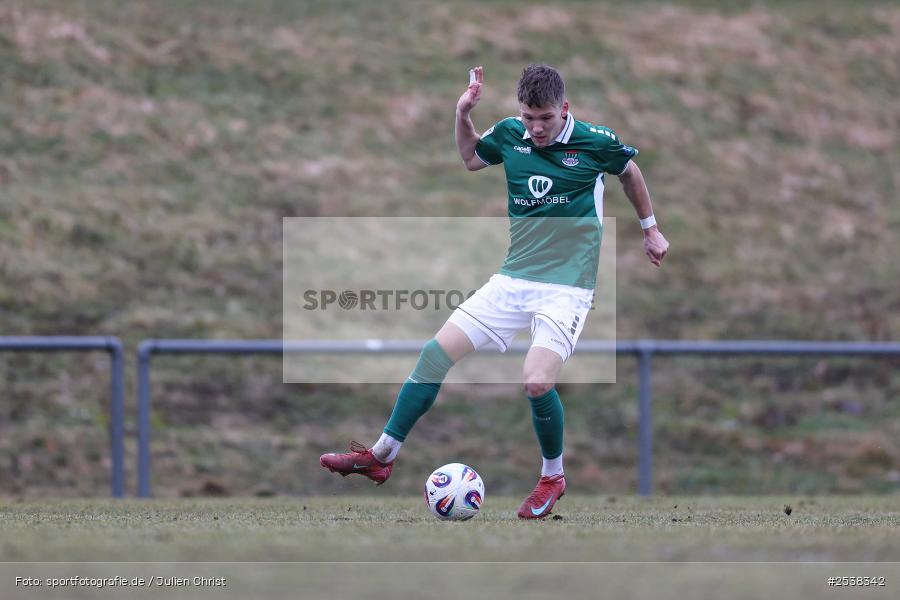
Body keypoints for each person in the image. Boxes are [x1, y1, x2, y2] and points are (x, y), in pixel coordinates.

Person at [321, 64, 669, 519]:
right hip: (512, 280)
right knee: (434, 353)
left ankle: (552, 476)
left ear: (564, 109)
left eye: (545, 117)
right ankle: (381, 457)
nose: (536, 127)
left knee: (536, 381)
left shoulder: (595, 141)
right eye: (528, 117)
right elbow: (469, 159)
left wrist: (651, 230)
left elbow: (630, 172)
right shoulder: (510, 133)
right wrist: (462, 114)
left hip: (566, 288)